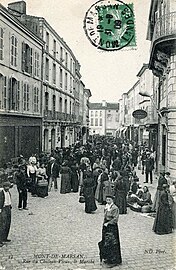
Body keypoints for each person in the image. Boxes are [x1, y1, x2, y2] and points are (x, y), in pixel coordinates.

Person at [98, 195, 122, 268]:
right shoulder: (106, 207)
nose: (108, 201)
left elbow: (115, 219)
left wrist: (108, 223)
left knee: (112, 243)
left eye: (109, 200)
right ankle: (107, 257)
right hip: (106, 227)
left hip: (112, 228)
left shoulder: (115, 208)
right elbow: (105, 216)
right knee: (105, 242)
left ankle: (114, 260)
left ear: (112, 200)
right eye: (107, 200)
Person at [0, 182, 12, 247]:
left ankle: (5, 237)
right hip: (3, 209)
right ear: (4, 187)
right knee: (2, 224)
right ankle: (0, 240)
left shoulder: (8, 192)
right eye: (6, 186)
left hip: (8, 208)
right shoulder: (1, 193)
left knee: (8, 223)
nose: (7, 188)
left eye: (8, 187)